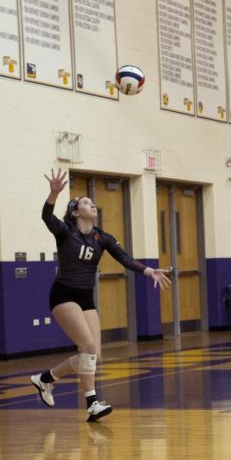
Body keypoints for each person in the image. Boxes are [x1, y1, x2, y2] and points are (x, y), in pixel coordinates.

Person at [30, 169, 171, 421]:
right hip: (63, 294)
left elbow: (124, 258)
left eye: (92, 203)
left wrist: (148, 271)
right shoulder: (65, 232)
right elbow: (45, 216)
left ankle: (45, 379)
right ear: (75, 212)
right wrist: (53, 193)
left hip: (85, 296)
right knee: (87, 347)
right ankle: (92, 403)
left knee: (93, 353)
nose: (91, 205)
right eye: (85, 202)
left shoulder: (102, 238)